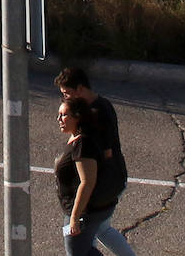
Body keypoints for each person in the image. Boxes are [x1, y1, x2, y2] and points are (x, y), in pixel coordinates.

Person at [55, 67, 136, 256]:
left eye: (67, 93)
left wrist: (78, 212)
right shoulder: (94, 109)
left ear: (80, 89)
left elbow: (102, 159)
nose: (66, 99)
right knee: (101, 230)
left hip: (100, 191)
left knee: (81, 245)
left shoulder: (99, 113)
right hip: (102, 190)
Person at [55, 97, 119, 256]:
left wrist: (75, 218)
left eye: (64, 115)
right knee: (81, 251)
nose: (59, 119)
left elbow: (87, 182)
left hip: (83, 211)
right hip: (80, 209)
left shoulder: (83, 144)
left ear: (78, 117)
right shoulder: (77, 138)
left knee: (76, 251)